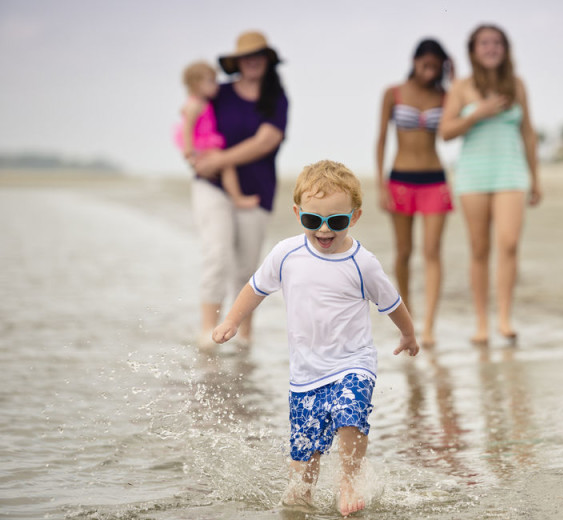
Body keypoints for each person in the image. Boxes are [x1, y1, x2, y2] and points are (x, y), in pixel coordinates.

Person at [212, 160, 420, 516]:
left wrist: (409, 333)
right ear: (298, 214)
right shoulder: (286, 254)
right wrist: (232, 319)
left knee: (350, 414)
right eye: (313, 220)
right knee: (304, 460)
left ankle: (350, 478)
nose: (324, 230)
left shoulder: (362, 263)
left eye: (336, 221)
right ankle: (302, 496)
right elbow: (256, 287)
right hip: (305, 374)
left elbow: (392, 302)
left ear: (353, 218)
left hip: (353, 363)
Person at [439, 24, 542, 345]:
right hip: (472, 175)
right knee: (479, 249)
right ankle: (482, 323)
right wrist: (477, 114)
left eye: (497, 43)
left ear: (505, 49)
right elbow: (446, 132)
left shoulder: (517, 85)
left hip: (511, 172)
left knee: (509, 244)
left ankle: (505, 318)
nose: (491, 48)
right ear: (473, 50)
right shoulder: (461, 87)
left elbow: (527, 132)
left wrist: (535, 178)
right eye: (484, 43)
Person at [190, 31, 289, 349]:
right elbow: (189, 114)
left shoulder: (277, 98)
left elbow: (267, 141)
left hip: (256, 191)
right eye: (247, 56)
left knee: (247, 267)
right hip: (212, 186)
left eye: (259, 55)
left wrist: (219, 158)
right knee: (216, 255)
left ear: (268, 59)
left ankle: (243, 337)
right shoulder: (218, 93)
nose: (253, 60)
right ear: (238, 62)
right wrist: (192, 154)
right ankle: (208, 332)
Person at [375, 39, 454, 347]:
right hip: (401, 179)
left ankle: (430, 326)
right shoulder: (392, 94)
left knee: (432, 251)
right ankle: (407, 319)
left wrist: (454, 76)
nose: (430, 71)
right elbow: (381, 139)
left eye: (436, 66)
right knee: (404, 252)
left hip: (435, 179)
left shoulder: (446, 95)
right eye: (426, 65)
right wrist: (381, 184)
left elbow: (451, 129)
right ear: (414, 60)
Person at [175, 61, 260, 209]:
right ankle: (237, 197)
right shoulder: (194, 105)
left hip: (203, 142)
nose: (216, 85)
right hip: (200, 144)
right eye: (211, 81)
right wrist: (189, 151)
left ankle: (233, 197)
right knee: (226, 163)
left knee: (224, 163)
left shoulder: (203, 102)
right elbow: (187, 129)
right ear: (197, 84)